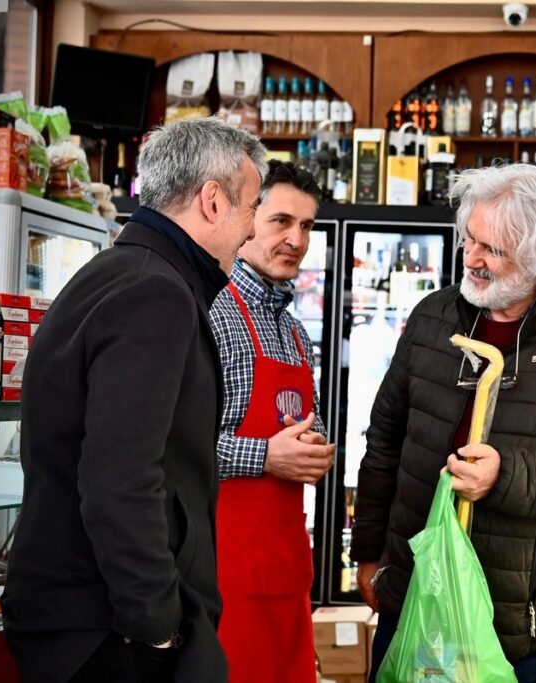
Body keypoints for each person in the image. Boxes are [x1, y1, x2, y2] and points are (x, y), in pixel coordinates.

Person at [351, 163, 536, 683]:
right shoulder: (431, 317)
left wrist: (503, 476)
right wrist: (368, 553)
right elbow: (384, 444)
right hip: (414, 599)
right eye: (469, 239)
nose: (472, 258)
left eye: (493, 249)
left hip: (519, 630)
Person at [1, 118, 266, 683]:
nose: (252, 229)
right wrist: (158, 627)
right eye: (252, 207)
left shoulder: (118, 272)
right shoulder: (156, 293)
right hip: (106, 631)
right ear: (212, 201)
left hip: (82, 619)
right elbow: (119, 478)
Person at [209, 160, 336, 682]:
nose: (296, 240)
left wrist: (315, 447)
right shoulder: (212, 312)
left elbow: (308, 423)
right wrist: (266, 455)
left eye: (306, 226)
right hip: (222, 577)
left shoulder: (296, 332)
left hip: (286, 572)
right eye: (281, 221)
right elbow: (171, 445)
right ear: (246, 218)